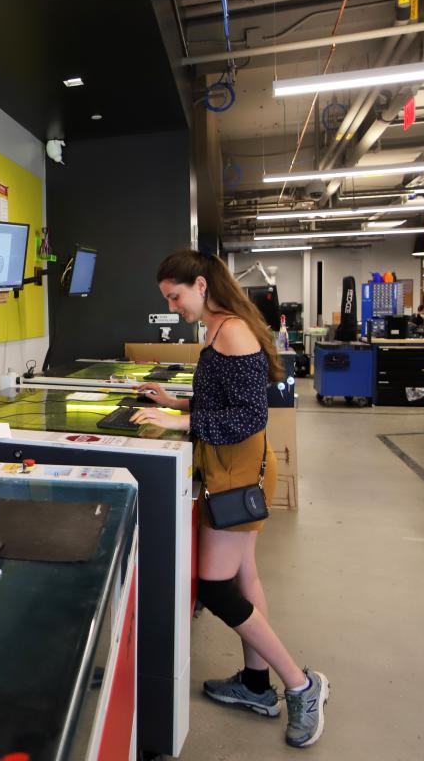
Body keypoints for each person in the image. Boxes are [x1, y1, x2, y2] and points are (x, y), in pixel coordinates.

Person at [130, 249, 329, 749]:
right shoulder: (218, 326)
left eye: (175, 297)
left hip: (240, 473)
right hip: (234, 467)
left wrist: (180, 422)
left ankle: (302, 685)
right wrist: (177, 402)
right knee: (244, 574)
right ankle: (257, 685)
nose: (174, 308)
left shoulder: (234, 332)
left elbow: (249, 417)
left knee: (216, 589)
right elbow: (225, 399)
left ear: (201, 285)